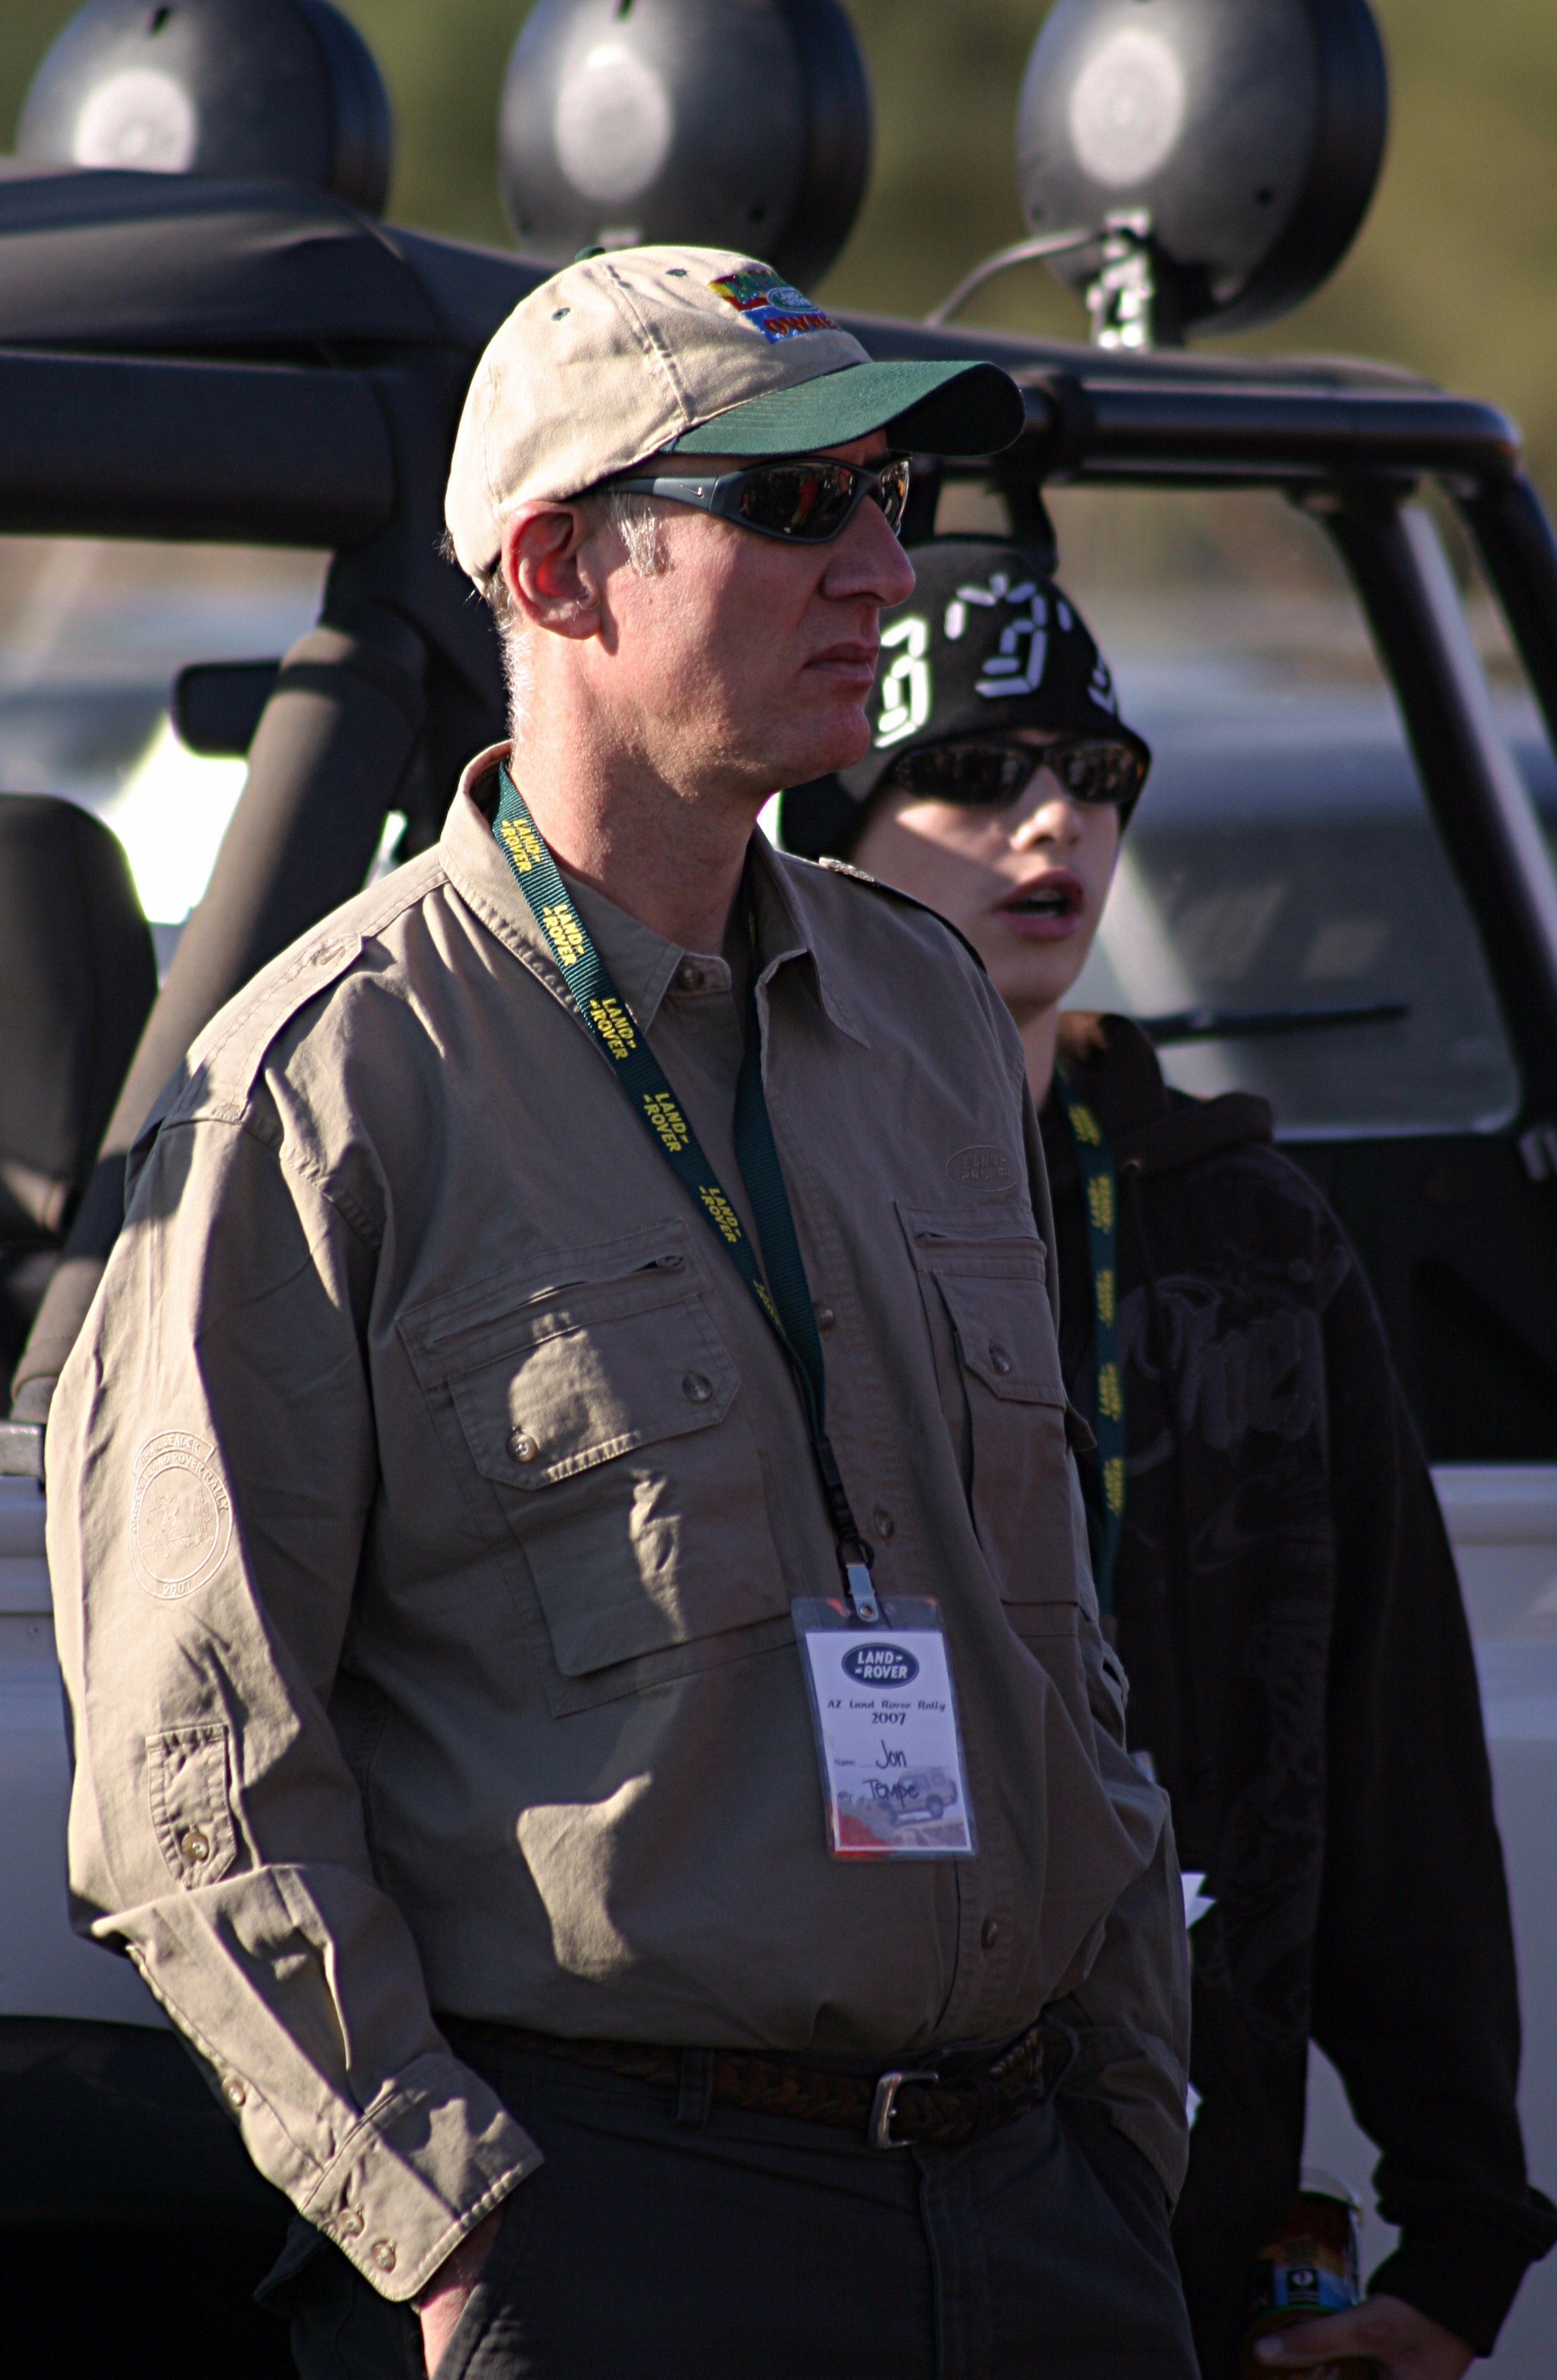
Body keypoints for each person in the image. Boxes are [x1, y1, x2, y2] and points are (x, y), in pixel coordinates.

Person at [46, 258, 1198, 2379]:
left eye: (887, 498)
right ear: (558, 569)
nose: (882, 571)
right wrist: (453, 2232)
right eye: (796, 505)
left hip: (1037, 2210)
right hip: (624, 2230)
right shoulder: (328, 1087)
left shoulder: (929, 1012)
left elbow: (1052, 1631)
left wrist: (1123, 2133)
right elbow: (190, 1769)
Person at [780, 535, 1557, 2380]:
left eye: (1095, 772)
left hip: (1189, 2212)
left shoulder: (1247, 1235)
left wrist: (1462, 2238)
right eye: (974, 770)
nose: (1050, 817)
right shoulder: (741, 1200)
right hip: (821, 2198)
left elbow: (1385, 1739)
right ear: (832, 832)